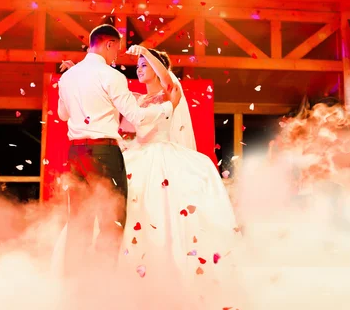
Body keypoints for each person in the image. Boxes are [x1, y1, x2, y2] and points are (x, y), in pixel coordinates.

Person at [115, 46, 243, 306]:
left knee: (166, 214)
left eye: (144, 64)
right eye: (138, 64)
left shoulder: (171, 92)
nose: (139, 68)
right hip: (138, 155)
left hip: (163, 156)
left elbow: (167, 78)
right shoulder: (138, 101)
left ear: (157, 68)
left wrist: (146, 51)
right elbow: (127, 125)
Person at [56, 25, 182, 277]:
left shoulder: (68, 77)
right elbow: (135, 116)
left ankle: (71, 283)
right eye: (117, 50)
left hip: (75, 154)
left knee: (79, 220)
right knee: (111, 220)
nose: (117, 57)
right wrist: (164, 110)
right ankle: (102, 280)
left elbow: (62, 114)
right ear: (109, 44)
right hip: (103, 152)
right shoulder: (111, 76)